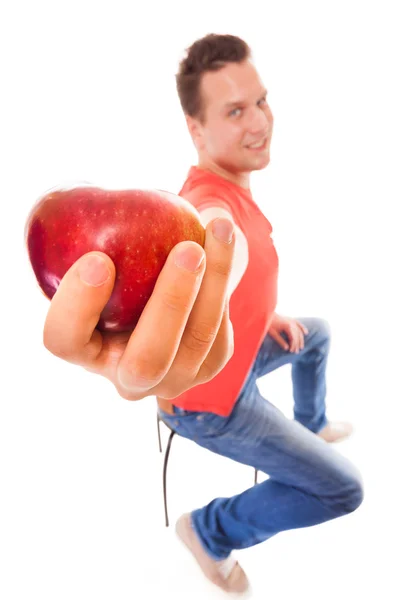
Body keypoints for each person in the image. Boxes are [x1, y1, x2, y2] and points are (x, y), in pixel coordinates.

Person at [42, 33, 363, 596]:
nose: (260, 122)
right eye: (235, 111)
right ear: (196, 130)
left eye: (261, 101)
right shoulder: (207, 208)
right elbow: (223, 252)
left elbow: (240, 282)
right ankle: (210, 532)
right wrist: (156, 336)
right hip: (211, 404)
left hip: (240, 358)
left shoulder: (233, 187)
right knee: (343, 490)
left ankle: (309, 428)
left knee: (317, 335)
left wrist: (264, 315)